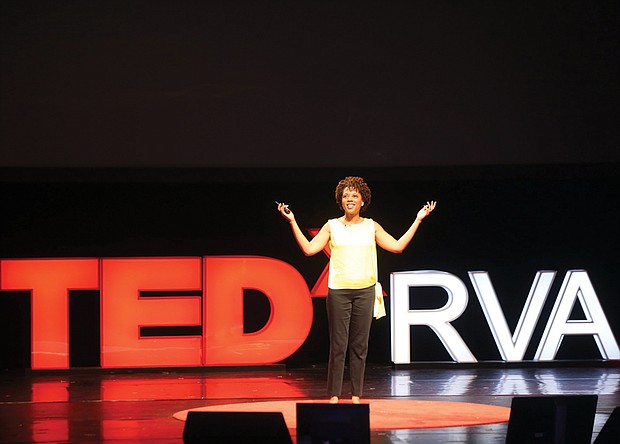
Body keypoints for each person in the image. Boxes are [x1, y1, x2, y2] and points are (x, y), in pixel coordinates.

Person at [277, 176, 436, 404]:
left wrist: (418, 220)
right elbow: (309, 249)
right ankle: (333, 395)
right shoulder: (331, 225)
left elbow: (398, 246)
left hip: (365, 291)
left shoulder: (371, 226)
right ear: (340, 201)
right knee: (338, 346)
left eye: (354, 195)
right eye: (345, 196)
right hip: (339, 292)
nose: (349, 199)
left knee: (360, 346)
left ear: (362, 201)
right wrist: (292, 221)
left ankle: (356, 396)